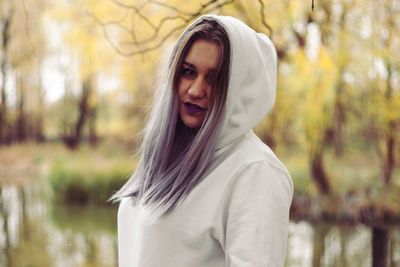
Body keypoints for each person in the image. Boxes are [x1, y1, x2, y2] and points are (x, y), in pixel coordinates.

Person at [111, 14, 294, 267]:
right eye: (188, 72)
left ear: (238, 88)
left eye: (214, 78)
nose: (196, 90)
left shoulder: (255, 172)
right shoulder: (171, 156)